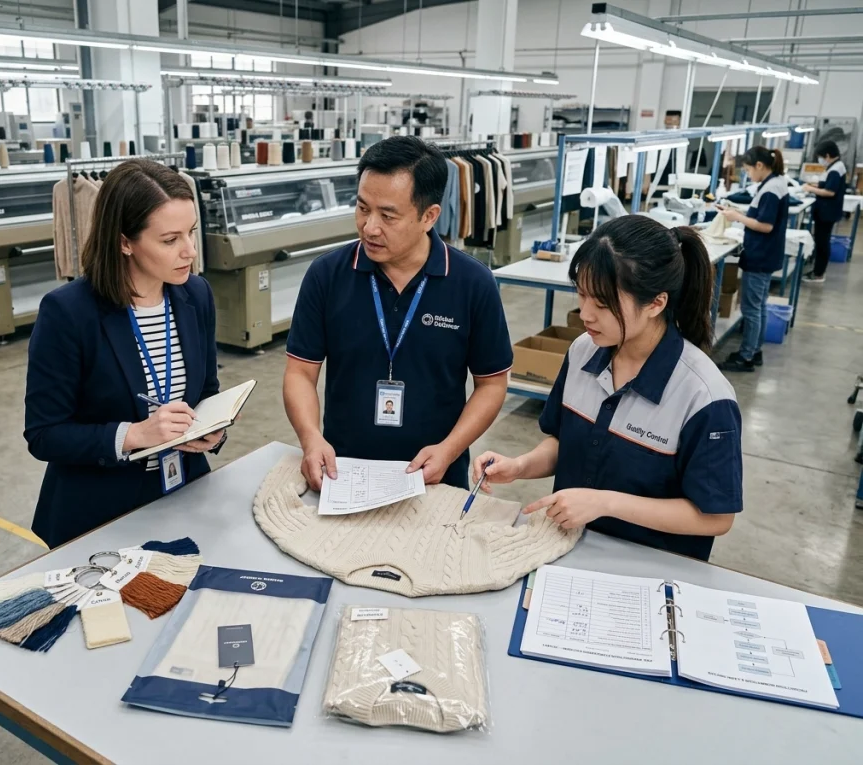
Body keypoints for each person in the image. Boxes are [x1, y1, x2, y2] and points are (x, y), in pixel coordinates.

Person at [473, 216, 743, 562]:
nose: (585, 314)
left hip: (651, 571)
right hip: (568, 549)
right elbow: (563, 441)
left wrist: (604, 503)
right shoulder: (583, 351)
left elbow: (715, 518)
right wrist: (520, 466)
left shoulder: (703, 396)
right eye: (582, 295)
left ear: (656, 303)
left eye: (602, 304)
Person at [284, 136, 513, 491]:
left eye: (388, 215)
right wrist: (311, 438)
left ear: (429, 216)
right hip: (343, 473)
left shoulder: (472, 283)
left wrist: (449, 450)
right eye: (362, 208)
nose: (370, 227)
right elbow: (300, 372)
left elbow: (492, 383)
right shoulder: (327, 275)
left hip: (435, 476)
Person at [25, 159, 225, 548]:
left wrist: (210, 430)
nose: (189, 251)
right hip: (100, 514)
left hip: (183, 494)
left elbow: (207, 388)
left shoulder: (196, 295)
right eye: (170, 240)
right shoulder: (69, 312)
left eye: (191, 233)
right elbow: (44, 434)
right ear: (124, 241)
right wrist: (134, 434)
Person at [718, 146, 789, 372]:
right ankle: (754, 350)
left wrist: (736, 216)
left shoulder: (771, 189)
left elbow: (766, 226)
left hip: (760, 255)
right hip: (766, 254)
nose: (748, 174)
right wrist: (740, 212)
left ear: (759, 166)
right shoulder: (775, 183)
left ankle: (746, 357)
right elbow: (762, 216)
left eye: (748, 170)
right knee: (759, 306)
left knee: (751, 308)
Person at [801, 140, 847, 285]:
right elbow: (826, 185)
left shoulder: (835, 169)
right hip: (827, 211)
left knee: (822, 242)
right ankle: (817, 270)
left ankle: (819, 273)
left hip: (827, 212)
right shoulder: (836, 167)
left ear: (827, 155)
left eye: (821, 157)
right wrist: (814, 185)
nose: (820, 160)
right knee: (821, 240)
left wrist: (810, 189)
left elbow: (830, 192)